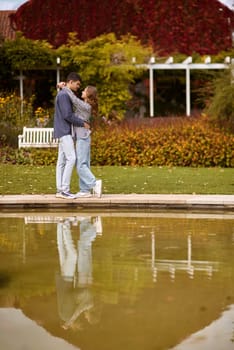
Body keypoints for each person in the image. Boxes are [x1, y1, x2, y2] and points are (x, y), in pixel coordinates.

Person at [58, 83, 102, 198]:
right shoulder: (86, 105)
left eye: (85, 90)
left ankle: (94, 183)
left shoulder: (85, 106)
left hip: (82, 138)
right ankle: (85, 190)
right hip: (84, 137)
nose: (82, 91)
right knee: (84, 164)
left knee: (80, 165)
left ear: (88, 95)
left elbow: (73, 99)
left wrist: (64, 88)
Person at [54, 72, 90, 199]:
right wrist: (82, 123)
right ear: (70, 82)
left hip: (62, 130)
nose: (78, 87)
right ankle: (64, 190)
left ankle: (60, 190)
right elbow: (67, 115)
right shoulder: (64, 95)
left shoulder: (63, 93)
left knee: (62, 161)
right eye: (77, 84)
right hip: (64, 131)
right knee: (72, 158)